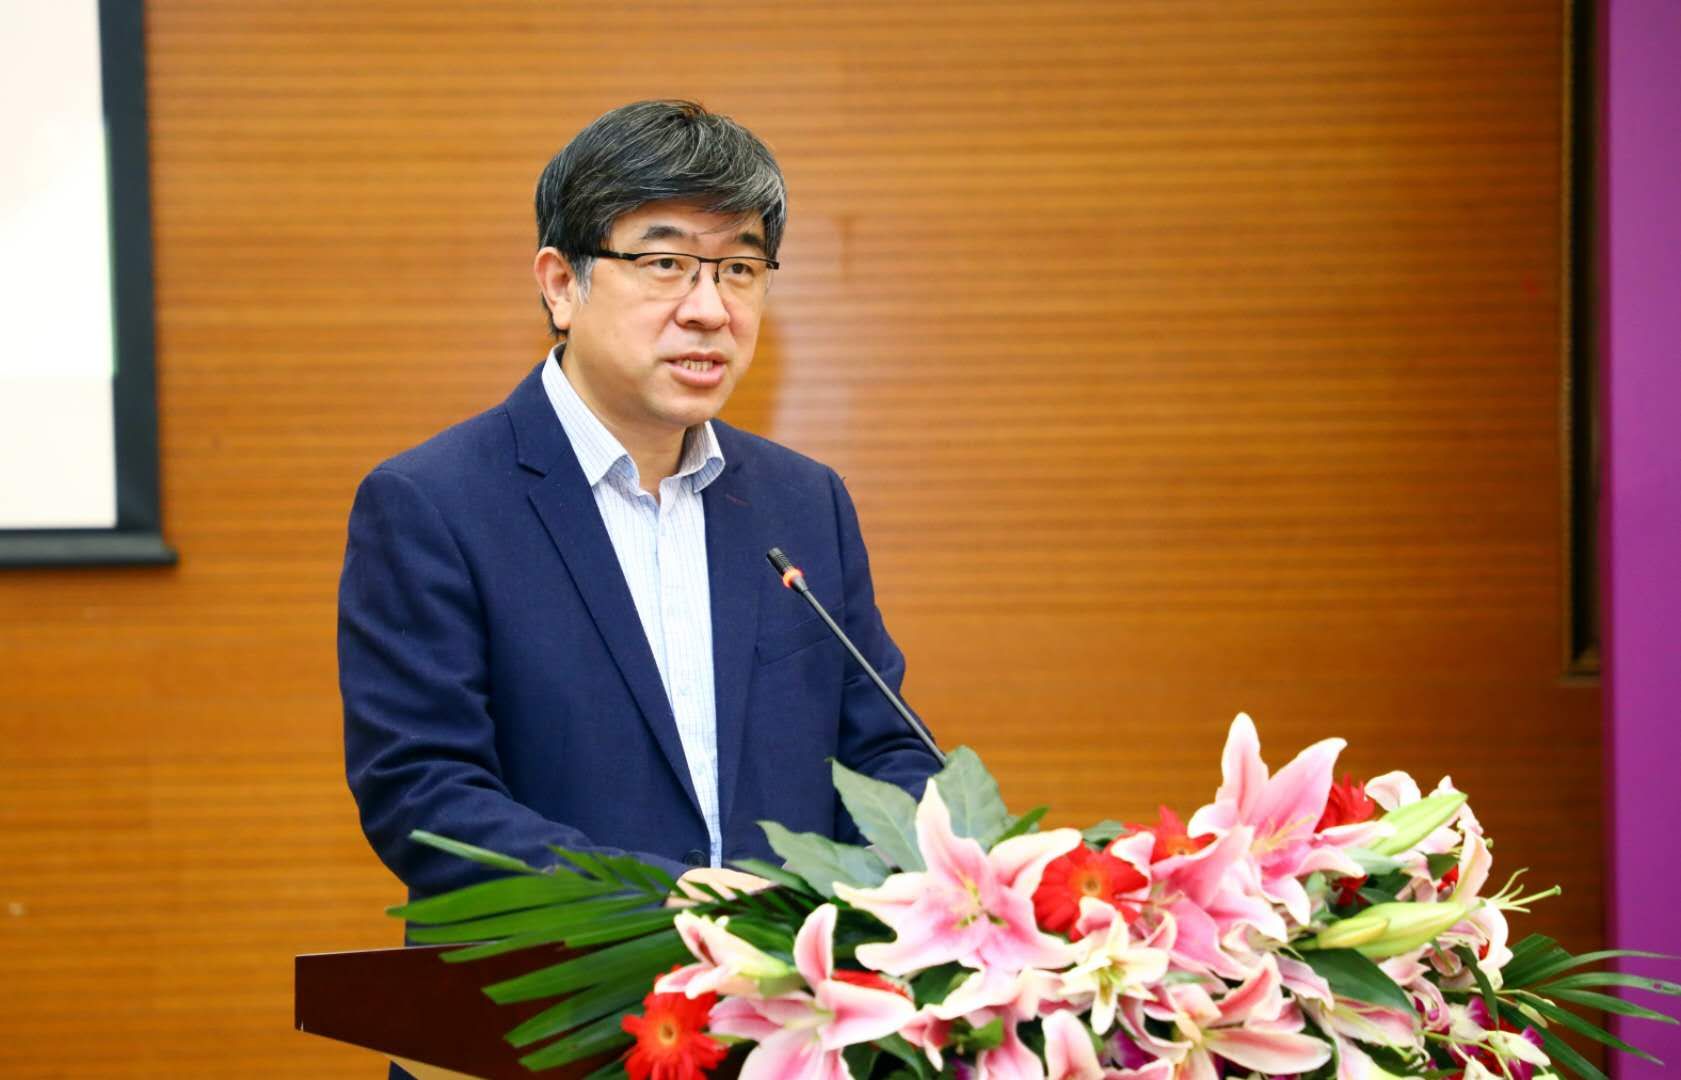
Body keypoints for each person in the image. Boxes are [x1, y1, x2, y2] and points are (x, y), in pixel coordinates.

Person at [339, 100, 942, 909]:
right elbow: (425, 796)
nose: (709, 308)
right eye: (665, 263)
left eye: (739, 269)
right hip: (558, 981)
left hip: (792, 980)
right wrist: (667, 900)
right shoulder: (432, 504)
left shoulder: (803, 501)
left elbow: (885, 753)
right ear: (562, 284)